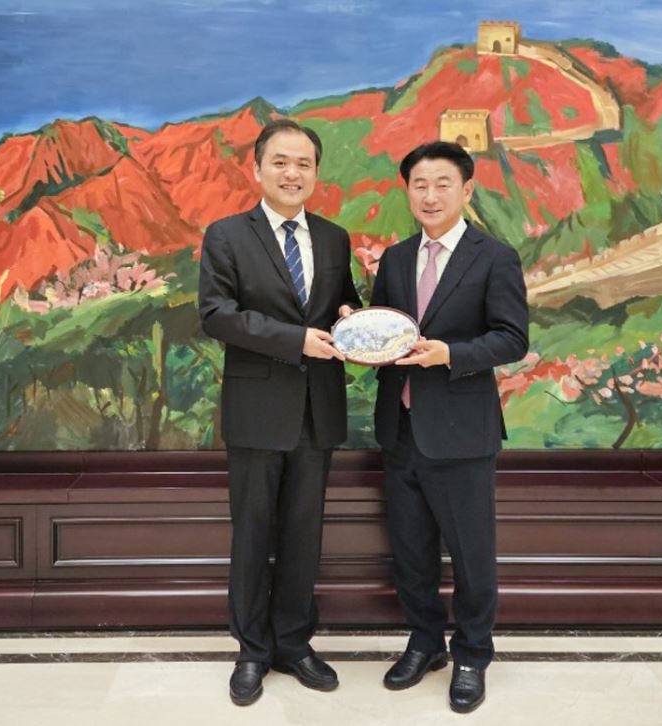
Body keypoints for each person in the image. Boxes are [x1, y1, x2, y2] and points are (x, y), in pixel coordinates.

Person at [199, 119, 360, 706]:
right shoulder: (226, 235)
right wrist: (296, 340)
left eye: (304, 164)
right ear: (258, 168)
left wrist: (351, 317)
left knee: (302, 534)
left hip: (318, 411)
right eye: (281, 162)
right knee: (252, 533)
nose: (293, 173)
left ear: (317, 172)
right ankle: (251, 651)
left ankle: (293, 643)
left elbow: (344, 303)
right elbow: (217, 314)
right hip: (257, 410)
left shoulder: (334, 238)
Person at [369, 141, 529, 713]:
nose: (430, 195)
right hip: (400, 427)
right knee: (410, 550)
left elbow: (512, 338)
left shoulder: (495, 257)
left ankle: (472, 655)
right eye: (420, 184)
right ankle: (424, 642)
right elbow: (385, 331)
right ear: (408, 191)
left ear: (466, 189)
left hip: (462, 431)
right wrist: (356, 331)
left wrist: (451, 355)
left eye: (442, 184)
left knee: (470, 553)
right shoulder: (395, 258)